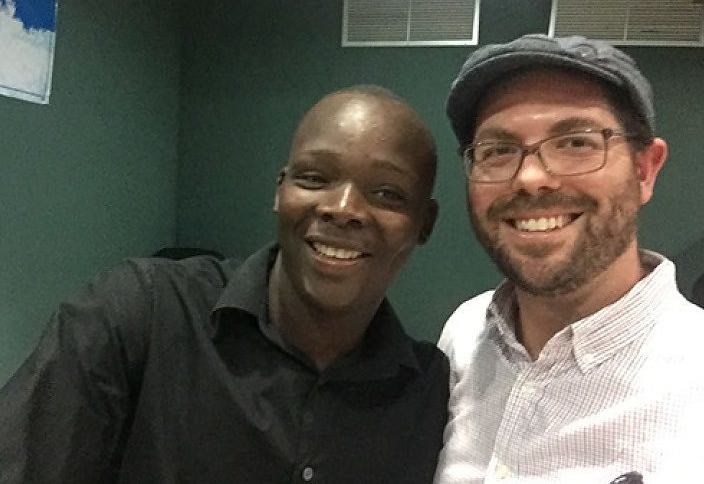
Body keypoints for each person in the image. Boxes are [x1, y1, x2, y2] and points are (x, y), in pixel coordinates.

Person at [0, 86, 448, 483]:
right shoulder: (136, 315)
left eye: (387, 193)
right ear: (280, 191)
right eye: (314, 178)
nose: (343, 208)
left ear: (423, 224)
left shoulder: (427, 391)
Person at [433, 34, 704, 483]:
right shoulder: (464, 334)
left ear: (644, 170)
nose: (532, 178)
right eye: (498, 151)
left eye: (576, 143)